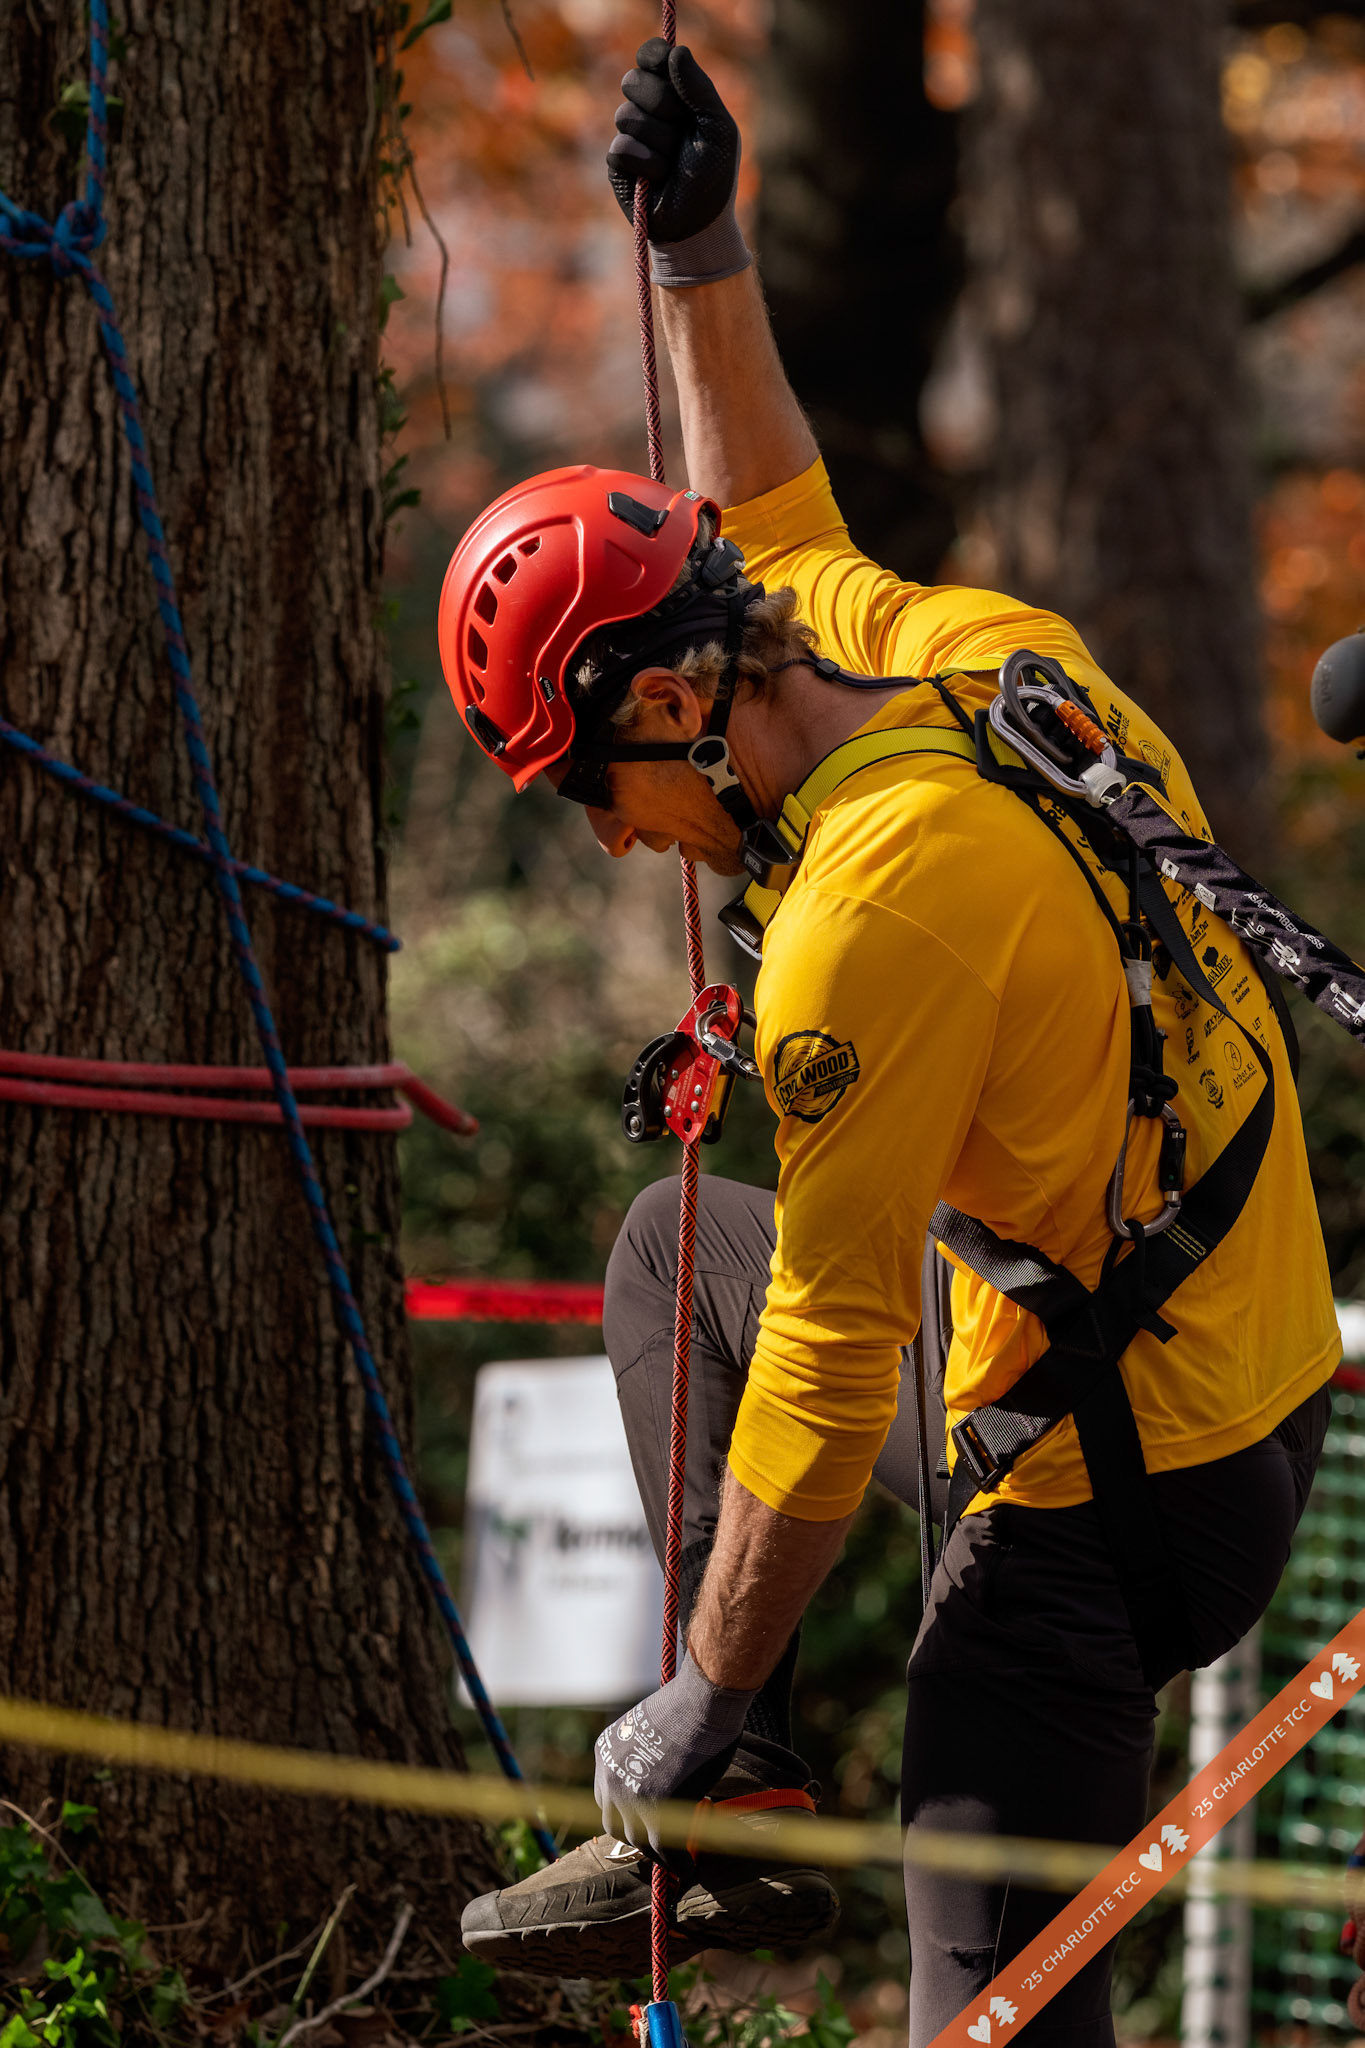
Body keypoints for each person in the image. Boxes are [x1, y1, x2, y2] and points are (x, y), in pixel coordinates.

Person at [445, 42, 1340, 2045]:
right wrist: (700, 247)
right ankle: (749, 1770)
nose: (604, 836)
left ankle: (723, 1746)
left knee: (987, 2017)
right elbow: (762, 502)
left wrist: (682, 1686)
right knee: (687, 1257)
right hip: (1232, 1347)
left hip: (1119, 1486)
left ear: (676, 706)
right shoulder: (949, 653)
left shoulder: (857, 925)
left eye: (590, 785)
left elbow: (837, 1370)